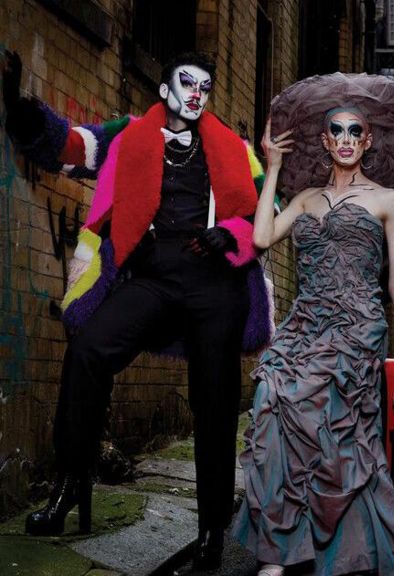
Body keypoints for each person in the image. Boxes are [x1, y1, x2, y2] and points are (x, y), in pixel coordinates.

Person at [1, 50, 271, 572]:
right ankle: (69, 487)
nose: (196, 93)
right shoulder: (130, 135)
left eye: (205, 87)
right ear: (166, 90)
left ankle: (213, 527)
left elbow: (267, 208)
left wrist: (231, 233)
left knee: (214, 398)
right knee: (87, 350)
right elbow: (72, 146)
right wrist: (19, 107)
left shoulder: (234, 149)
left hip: (215, 280)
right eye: (186, 83)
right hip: (152, 275)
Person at [231, 73, 394, 576]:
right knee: (270, 405)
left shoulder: (389, 202)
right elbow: (259, 239)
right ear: (324, 140)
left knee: (334, 434)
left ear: (366, 141)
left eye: (353, 132)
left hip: (357, 327)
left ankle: (342, 548)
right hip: (305, 323)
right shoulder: (306, 199)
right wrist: (272, 167)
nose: (344, 139)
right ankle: (279, 547)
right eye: (334, 131)